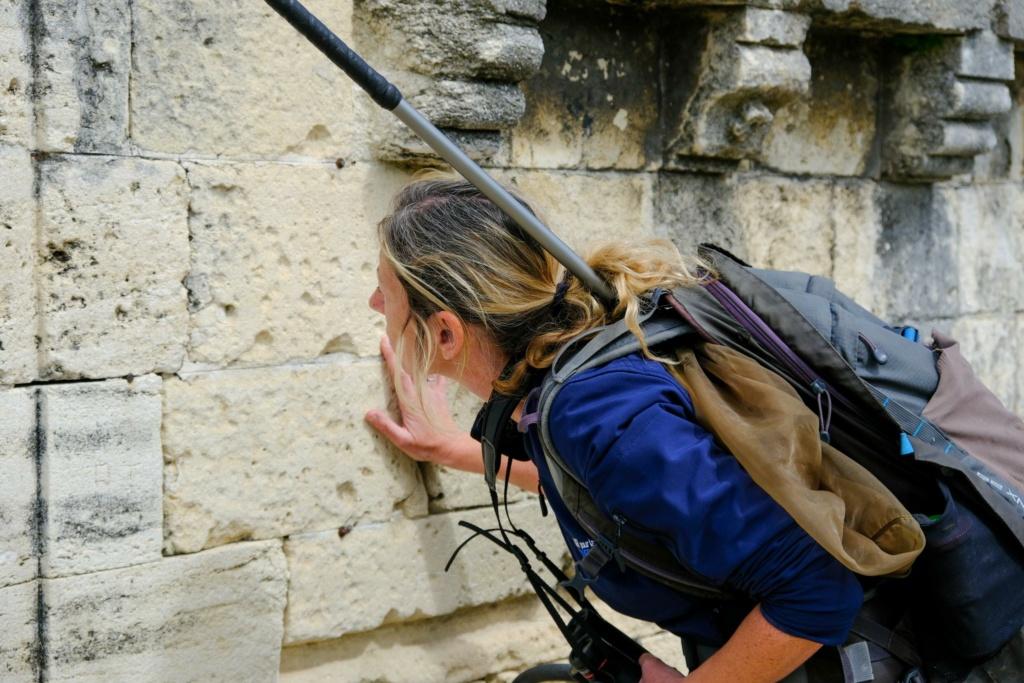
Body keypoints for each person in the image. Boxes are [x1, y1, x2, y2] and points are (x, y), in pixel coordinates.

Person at [363, 176, 864, 683]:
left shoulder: (593, 410)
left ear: (446, 332)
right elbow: (620, 490)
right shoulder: (564, 375)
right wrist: (454, 450)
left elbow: (818, 587)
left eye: (386, 291)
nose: (374, 305)